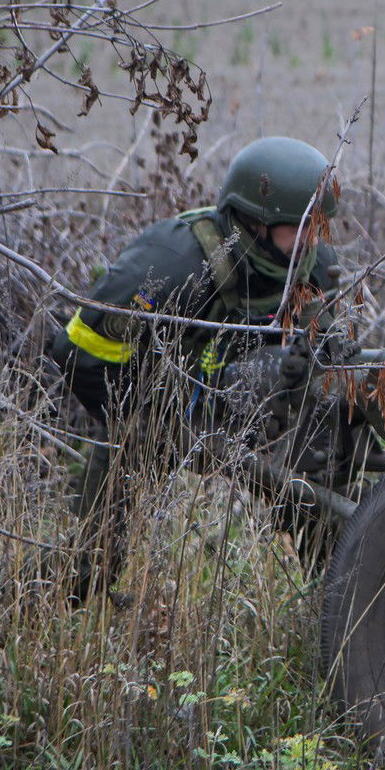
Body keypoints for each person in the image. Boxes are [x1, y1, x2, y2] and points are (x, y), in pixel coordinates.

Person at [46, 135, 342, 603]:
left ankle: (339, 598)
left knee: (329, 487)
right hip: (157, 413)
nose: (312, 240)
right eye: (301, 227)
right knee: (90, 562)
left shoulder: (315, 265)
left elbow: (329, 353)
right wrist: (145, 418)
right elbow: (77, 350)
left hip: (258, 405)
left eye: (318, 227)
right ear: (256, 222)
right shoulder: (172, 263)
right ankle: (44, 607)